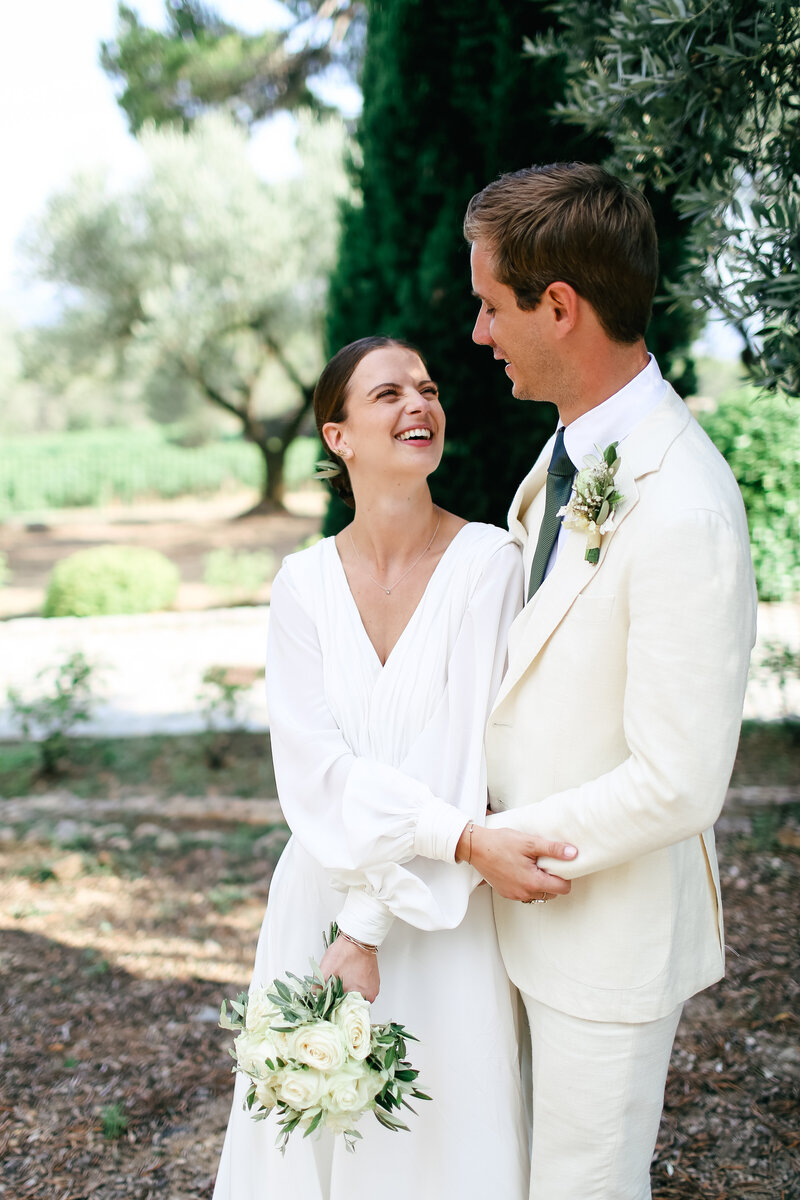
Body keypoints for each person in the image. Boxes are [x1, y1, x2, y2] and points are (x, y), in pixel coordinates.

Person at [212, 334, 577, 1200]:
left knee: (443, 1125)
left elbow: (457, 754)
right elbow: (312, 769)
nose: (420, 404)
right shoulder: (301, 586)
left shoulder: (488, 563)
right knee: (316, 1129)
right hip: (322, 888)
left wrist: (365, 929)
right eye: (388, 395)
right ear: (338, 437)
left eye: (428, 388)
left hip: (442, 904)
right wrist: (350, 918)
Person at [460, 162, 758, 1199]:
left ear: (559, 306)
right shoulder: (569, 459)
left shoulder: (680, 503)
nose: (478, 335)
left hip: (601, 939)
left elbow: (678, 779)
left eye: (491, 307)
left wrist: (508, 843)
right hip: (518, 918)